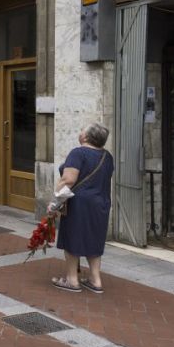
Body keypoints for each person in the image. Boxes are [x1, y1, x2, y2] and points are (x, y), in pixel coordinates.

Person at [48, 123, 114, 294]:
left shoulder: (78, 153)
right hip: (101, 203)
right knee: (95, 238)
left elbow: (68, 180)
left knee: (72, 238)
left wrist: (55, 201)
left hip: (79, 204)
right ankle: (95, 279)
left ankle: (72, 280)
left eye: (81, 130)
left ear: (85, 137)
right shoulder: (107, 156)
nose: (80, 133)